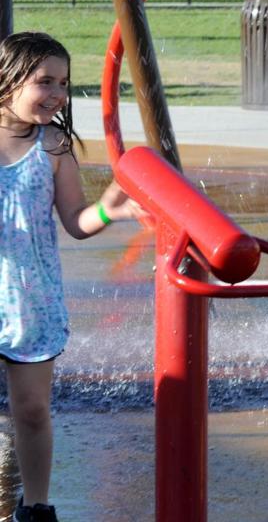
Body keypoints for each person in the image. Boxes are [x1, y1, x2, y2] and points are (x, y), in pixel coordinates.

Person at [0, 32, 142, 522]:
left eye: (63, 82)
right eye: (45, 81)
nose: (58, 94)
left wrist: (107, 210)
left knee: (32, 410)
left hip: (30, 302)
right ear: (7, 80)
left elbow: (76, 221)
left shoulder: (53, 145)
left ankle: (36, 507)